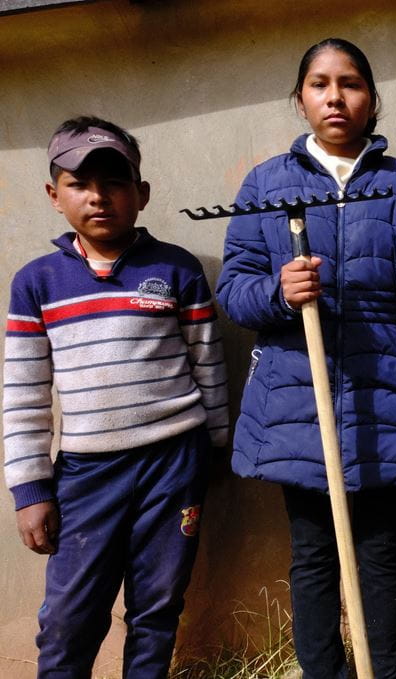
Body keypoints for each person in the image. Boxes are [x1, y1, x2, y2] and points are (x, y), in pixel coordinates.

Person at [215, 38, 396, 679]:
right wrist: (278, 292)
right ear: (300, 98)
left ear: (371, 99)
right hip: (301, 398)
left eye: (349, 82)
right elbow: (235, 292)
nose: (335, 96)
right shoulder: (267, 184)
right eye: (320, 83)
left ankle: (384, 670)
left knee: (381, 552)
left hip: (388, 393)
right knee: (315, 553)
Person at [2, 116, 229, 678]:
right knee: (69, 618)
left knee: (156, 609)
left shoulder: (176, 270)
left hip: (174, 465)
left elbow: (209, 364)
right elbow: (24, 393)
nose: (98, 197)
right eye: (79, 183)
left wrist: (214, 450)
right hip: (86, 476)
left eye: (115, 182)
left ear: (141, 193)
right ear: (55, 196)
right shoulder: (37, 283)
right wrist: (30, 488)